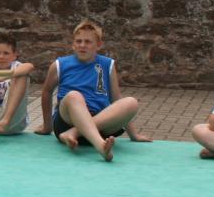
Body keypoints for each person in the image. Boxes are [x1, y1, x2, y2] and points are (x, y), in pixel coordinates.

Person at [38, 19, 147, 161]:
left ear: (99, 45)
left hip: (101, 126)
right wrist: (47, 126)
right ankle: (101, 146)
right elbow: (46, 92)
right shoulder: (60, 64)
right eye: (78, 41)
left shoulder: (108, 64)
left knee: (131, 102)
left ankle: (74, 133)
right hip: (67, 122)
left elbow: (115, 99)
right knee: (74, 95)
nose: (82, 45)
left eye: (88, 42)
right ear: (73, 44)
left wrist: (134, 134)